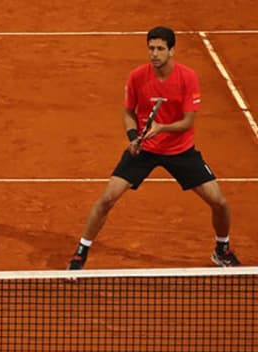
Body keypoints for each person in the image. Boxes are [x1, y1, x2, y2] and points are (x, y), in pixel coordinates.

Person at [67, 26, 240, 270]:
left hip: (180, 150)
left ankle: (222, 249)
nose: (154, 54)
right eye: (151, 48)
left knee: (219, 202)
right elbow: (128, 112)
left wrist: (161, 128)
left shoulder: (187, 77)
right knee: (107, 198)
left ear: (172, 50)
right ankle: (80, 253)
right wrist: (131, 136)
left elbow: (188, 122)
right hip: (144, 149)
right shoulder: (137, 76)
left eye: (160, 49)